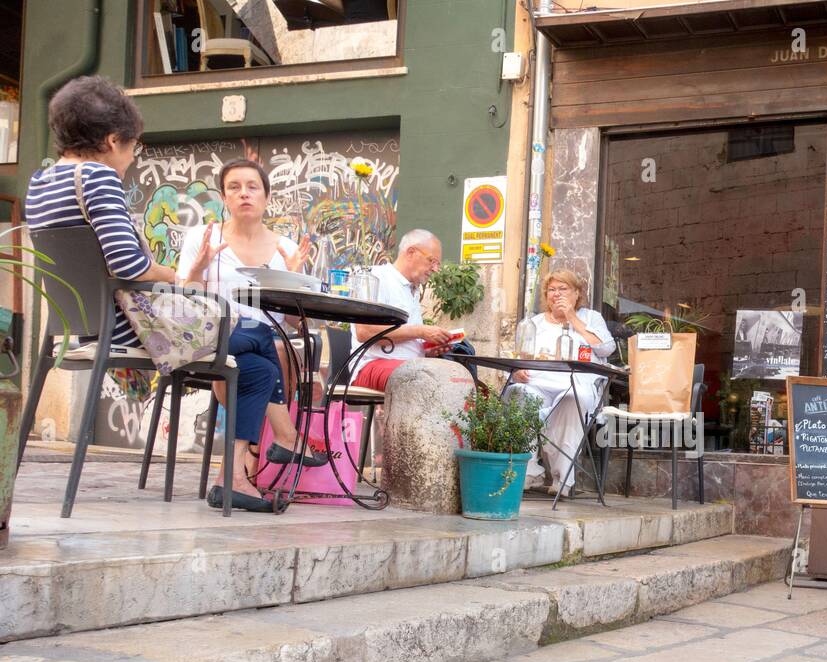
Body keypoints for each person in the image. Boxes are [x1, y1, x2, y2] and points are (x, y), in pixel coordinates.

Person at [177, 158, 327, 513]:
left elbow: (293, 321)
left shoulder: (286, 250)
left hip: (252, 353)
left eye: (252, 187)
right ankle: (287, 436)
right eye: (234, 187)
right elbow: (186, 303)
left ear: (266, 196)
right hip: (210, 338)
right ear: (224, 197)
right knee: (258, 330)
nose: (243, 193)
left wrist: (295, 284)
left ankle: (231, 479)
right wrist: (197, 270)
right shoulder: (204, 238)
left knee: (260, 370)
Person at [24, 76, 176, 352]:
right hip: (129, 330)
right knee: (251, 341)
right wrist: (172, 274)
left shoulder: (38, 183)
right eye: (134, 147)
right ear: (113, 140)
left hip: (82, 329)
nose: (132, 158)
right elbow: (128, 265)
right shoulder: (97, 176)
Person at [505, 269, 615, 496]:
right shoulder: (534, 323)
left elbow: (606, 347)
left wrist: (573, 317)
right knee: (518, 393)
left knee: (572, 399)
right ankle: (528, 473)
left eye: (563, 289)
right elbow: (519, 357)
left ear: (577, 293)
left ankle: (561, 478)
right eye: (551, 290)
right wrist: (517, 371)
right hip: (537, 383)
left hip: (577, 383)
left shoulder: (591, 317)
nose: (556, 294)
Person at [348, 229, 474, 391]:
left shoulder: (412, 290)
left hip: (410, 366)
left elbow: (407, 344)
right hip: (370, 365)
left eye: (437, 264)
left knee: (460, 379)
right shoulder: (376, 277)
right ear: (411, 252)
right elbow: (364, 332)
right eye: (432, 261)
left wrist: (427, 350)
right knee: (426, 379)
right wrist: (420, 331)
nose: (435, 269)